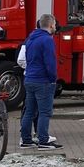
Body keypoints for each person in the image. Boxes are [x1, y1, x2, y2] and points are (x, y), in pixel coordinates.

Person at [18, 14, 60, 150]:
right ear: (51, 24)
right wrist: (53, 78)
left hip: (29, 79)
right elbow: (50, 62)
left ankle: (26, 140)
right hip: (43, 80)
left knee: (29, 111)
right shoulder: (47, 40)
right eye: (54, 25)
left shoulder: (31, 39)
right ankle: (43, 140)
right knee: (44, 112)